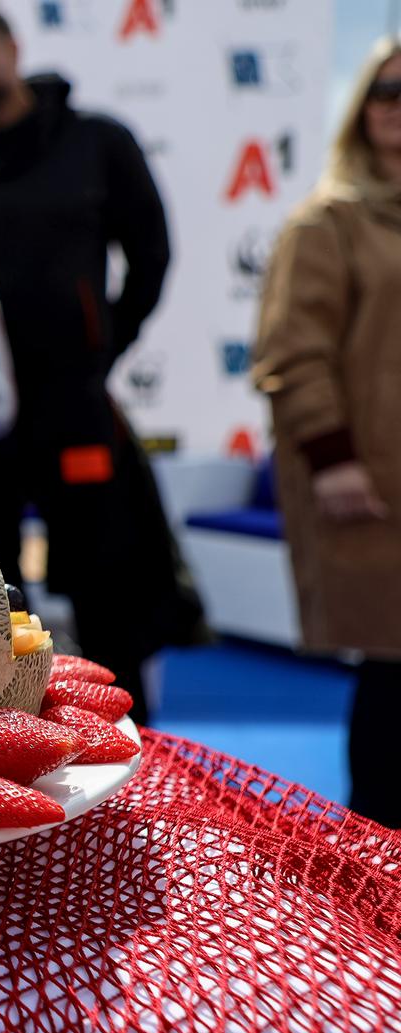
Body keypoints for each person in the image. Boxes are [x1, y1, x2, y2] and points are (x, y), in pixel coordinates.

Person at [0, 5, 199, 721]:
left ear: (12, 50)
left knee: (108, 581)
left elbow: (150, 252)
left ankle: (133, 739)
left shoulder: (95, 140)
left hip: (73, 403)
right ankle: (1, 735)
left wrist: (101, 345)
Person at [253, 37, 401, 827]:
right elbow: (291, 353)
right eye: (386, 91)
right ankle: (375, 861)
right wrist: (333, 459)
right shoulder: (327, 221)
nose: (398, 108)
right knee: (393, 675)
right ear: (360, 110)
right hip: (373, 478)